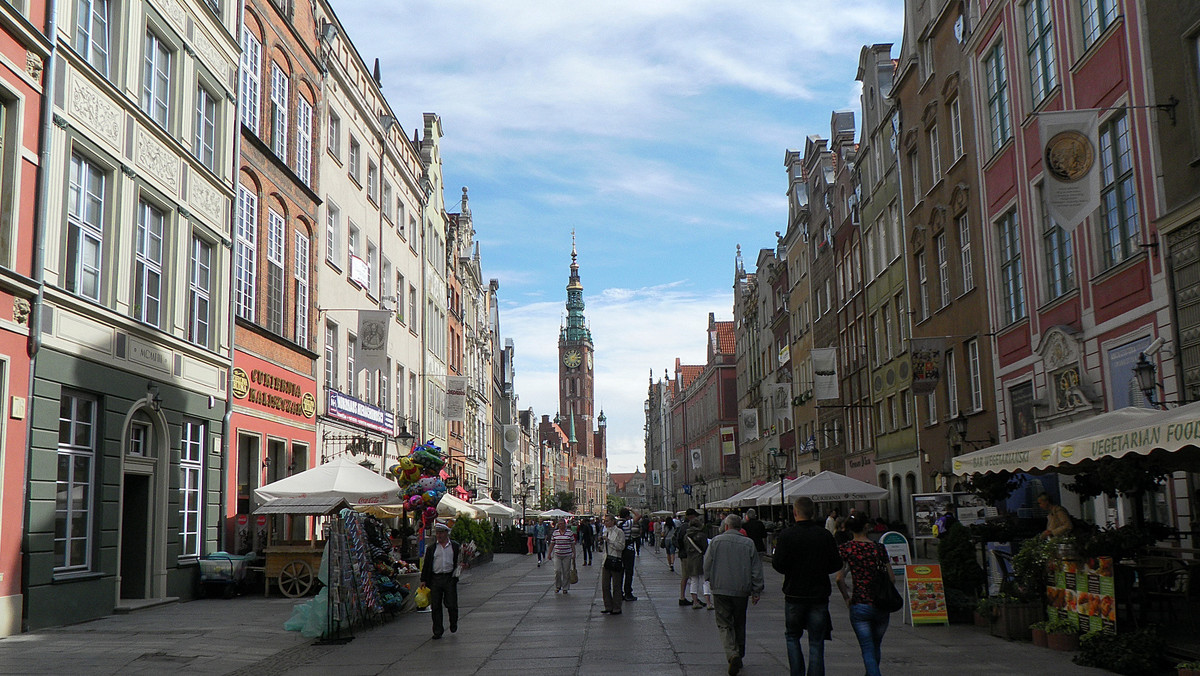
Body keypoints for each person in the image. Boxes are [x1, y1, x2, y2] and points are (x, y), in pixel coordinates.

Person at [772, 496, 843, 676]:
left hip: (794, 593)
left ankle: (797, 673)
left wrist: (792, 569)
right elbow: (836, 564)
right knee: (816, 641)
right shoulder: (824, 535)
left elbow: (778, 564)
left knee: (792, 636)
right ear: (813, 513)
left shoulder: (786, 535)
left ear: (795, 513)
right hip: (819, 594)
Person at [835, 514, 896, 676]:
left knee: (867, 649)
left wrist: (846, 598)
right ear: (866, 527)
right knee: (875, 646)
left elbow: (839, 578)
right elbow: (891, 578)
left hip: (860, 603)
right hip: (881, 604)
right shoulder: (879, 548)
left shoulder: (846, 549)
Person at [704, 514, 764, 676]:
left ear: (727, 527)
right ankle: (740, 653)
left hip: (720, 588)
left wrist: (709, 578)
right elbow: (756, 569)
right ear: (740, 527)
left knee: (724, 623)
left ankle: (732, 653)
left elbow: (707, 563)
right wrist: (756, 590)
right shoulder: (749, 543)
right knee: (739, 622)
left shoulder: (716, 541)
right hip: (741, 590)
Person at [420, 521, 461, 640]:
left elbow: (460, 560)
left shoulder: (454, 546)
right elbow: (427, 564)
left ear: (446, 533)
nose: (439, 535)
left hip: (449, 578)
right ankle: (437, 630)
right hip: (435, 578)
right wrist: (423, 579)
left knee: (451, 604)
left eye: (441, 533)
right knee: (436, 605)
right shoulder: (432, 548)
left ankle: (453, 622)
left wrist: (463, 565)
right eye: (437, 533)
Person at [680, 512, 710, 608]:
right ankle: (708, 602)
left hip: (690, 559)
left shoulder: (686, 535)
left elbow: (684, 546)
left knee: (693, 580)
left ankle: (695, 601)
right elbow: (706, 548)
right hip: (700, 558)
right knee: (705, 580)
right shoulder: (702, 535)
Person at [600, 514, 626, 615]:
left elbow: (621, 546)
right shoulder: (605, 531)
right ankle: (608, 606)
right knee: (605, 585)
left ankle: (617, 607)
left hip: (615, 559)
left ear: (612, 521)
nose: (605, 523)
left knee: (616, 585)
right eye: (604, 521)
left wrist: (609, 541)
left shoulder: (619, 532)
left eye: (607, 521)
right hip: (606, 560)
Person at [677, 508, 699, 603]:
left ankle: (694, 598)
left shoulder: (683, 526)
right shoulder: (686, 527)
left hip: (686, 554)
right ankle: (683, 597)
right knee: (687, 576)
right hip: (687, 555)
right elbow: (680, 540)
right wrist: (685, 549)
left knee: (691, 577)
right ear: (691, 516)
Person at [550, 519, 577, 594]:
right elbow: (552, 543)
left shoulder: (569, 533)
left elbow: (572, 544)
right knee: (557, 571)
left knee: (566, 571)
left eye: (562, 524)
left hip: (567, 554)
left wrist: (574, 553)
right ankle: (557, 586)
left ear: (565, 524)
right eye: (559, 524)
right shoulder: (555, 533)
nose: (560, 525)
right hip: (557, 554)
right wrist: (549, 553)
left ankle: (565, 587)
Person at [618, 508, 640, 600]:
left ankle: (619, 592)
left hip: (619, 550)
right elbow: (638, 516)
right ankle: (628, 592)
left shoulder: (617, 524)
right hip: (628, 549)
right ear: (627, 516)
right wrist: (631, 509)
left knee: (620, 572)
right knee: (629, 572)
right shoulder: (628, 523)